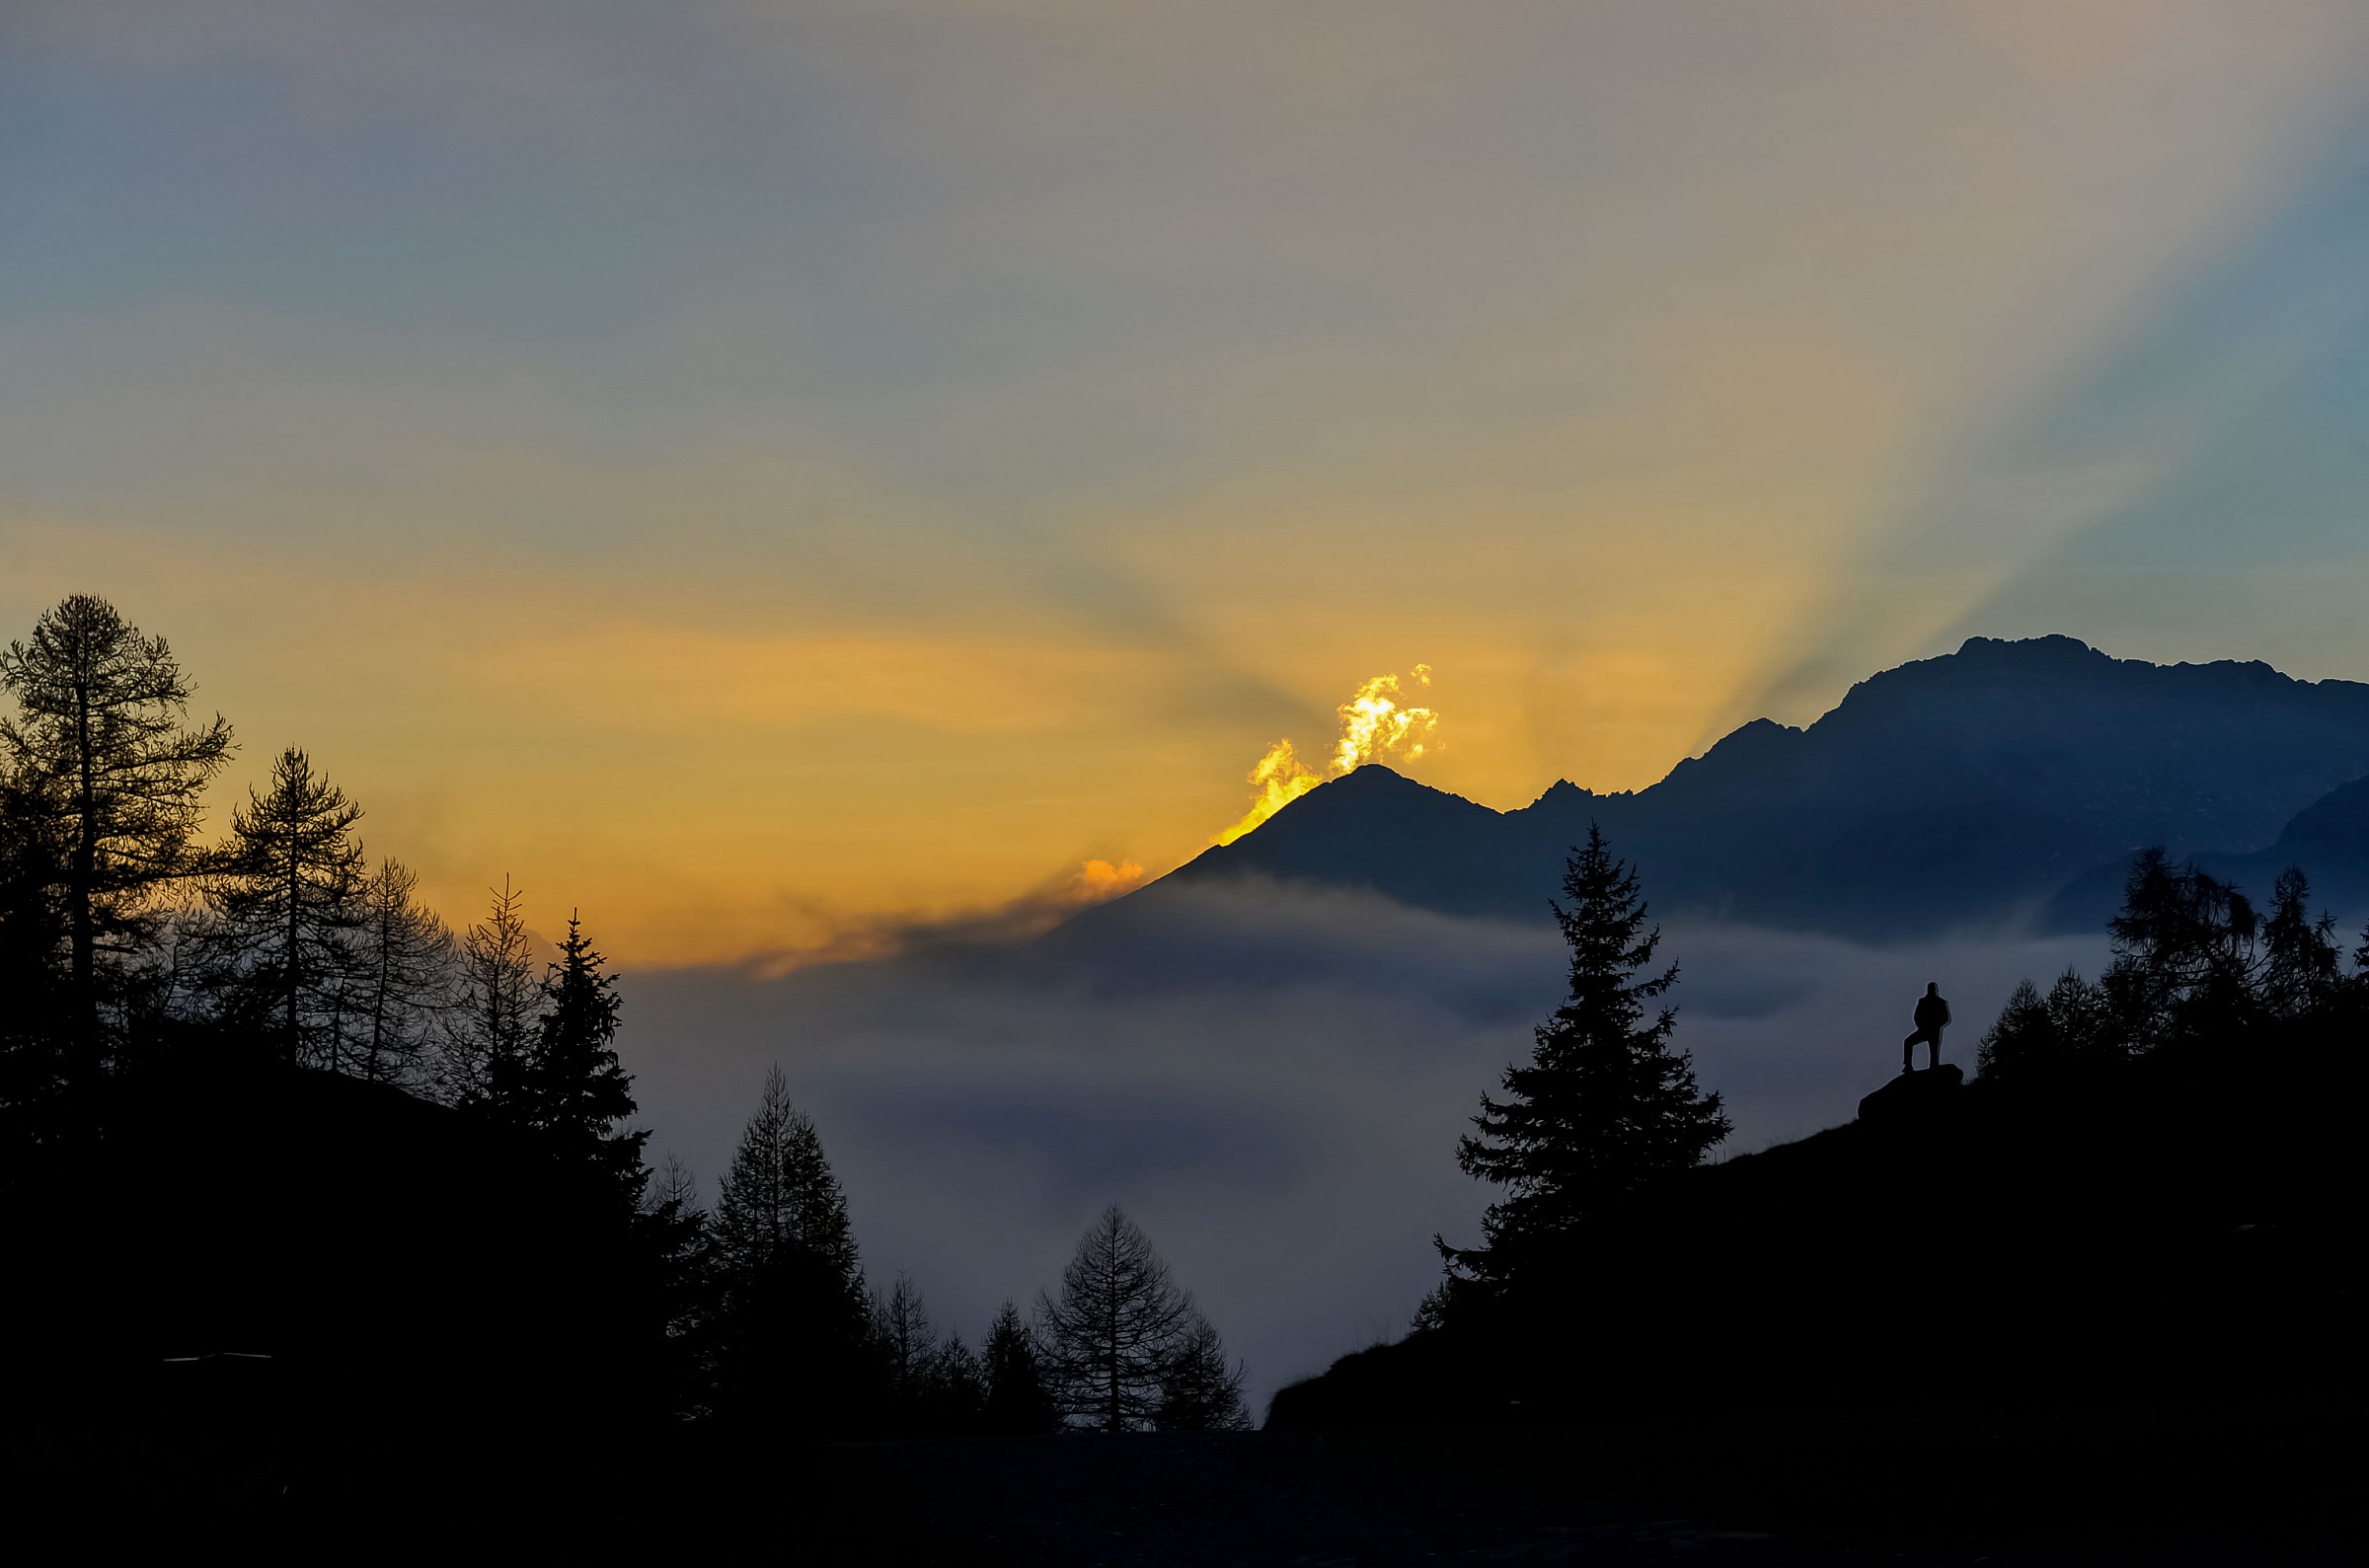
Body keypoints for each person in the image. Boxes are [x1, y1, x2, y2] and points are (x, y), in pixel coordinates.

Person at [1902, 982, 1949, 1073]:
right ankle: (1908, 1065)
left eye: (1933, 989)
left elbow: (1945, 1018)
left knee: (1934, 1051)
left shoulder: (1941, 1002)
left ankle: (1933, 1068)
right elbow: (1916, 1016)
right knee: (1908, 1042)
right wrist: (1921, 1025)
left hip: (1934, 1031)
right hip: (1923, 1030)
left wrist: (1936, 1025)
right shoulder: (1922, 1001)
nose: (1933, 991)